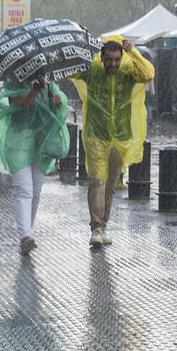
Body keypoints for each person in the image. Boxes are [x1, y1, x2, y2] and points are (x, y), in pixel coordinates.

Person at [68, 37, 154, 247]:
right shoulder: (92, 71)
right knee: (97, 180)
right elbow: (70, 71)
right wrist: (81, 52)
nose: (113, 64)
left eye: (117, 59)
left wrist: (133, 52)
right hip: (96, 134)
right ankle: (96, 228)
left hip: (120, 136)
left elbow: (148, 74)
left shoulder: (128, 72)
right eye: (109, 59)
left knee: (111, 184)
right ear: (102, 57)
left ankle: (103, 226)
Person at [0, 79, 68, 256]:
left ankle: (27, 232)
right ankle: (25, 236)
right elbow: (21, 104)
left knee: (36, 190)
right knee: (23, 188)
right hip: (19, 140)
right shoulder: (14, 82)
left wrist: (58, 100)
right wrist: (34, 91)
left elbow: (61, 102)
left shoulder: (50, 82)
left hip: (43, 140)